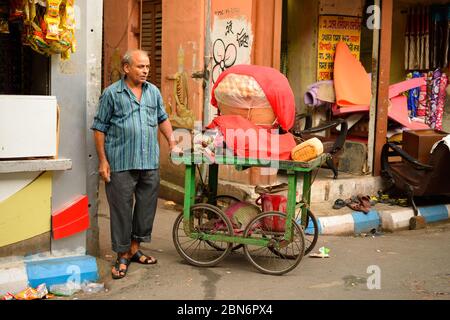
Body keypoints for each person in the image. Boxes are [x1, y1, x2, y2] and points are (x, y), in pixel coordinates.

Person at [92, 49, 177, 279]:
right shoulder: (112, 94)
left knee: (146, 208)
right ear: (126, 68)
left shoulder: (153, 93)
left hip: (148, 160)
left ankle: (134, 248)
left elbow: (162, 118)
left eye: (147, 66)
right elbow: (99, 128)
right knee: (120, 209)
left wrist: (171, 141)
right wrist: (103, 161)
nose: (146, 70)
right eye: (141, 66)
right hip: (120, 161)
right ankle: (121, 254)